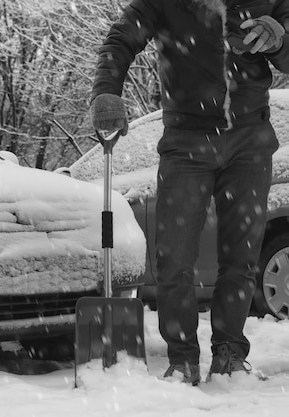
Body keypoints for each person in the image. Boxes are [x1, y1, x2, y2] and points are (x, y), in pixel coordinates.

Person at [89, 0, 289, 386]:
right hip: (186, 139)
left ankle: (230, 354)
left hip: (250, 138)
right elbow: (120, 39)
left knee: (241, 257)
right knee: (173, 257)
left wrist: (279, 41)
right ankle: (182, 359)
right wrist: (105, 93)